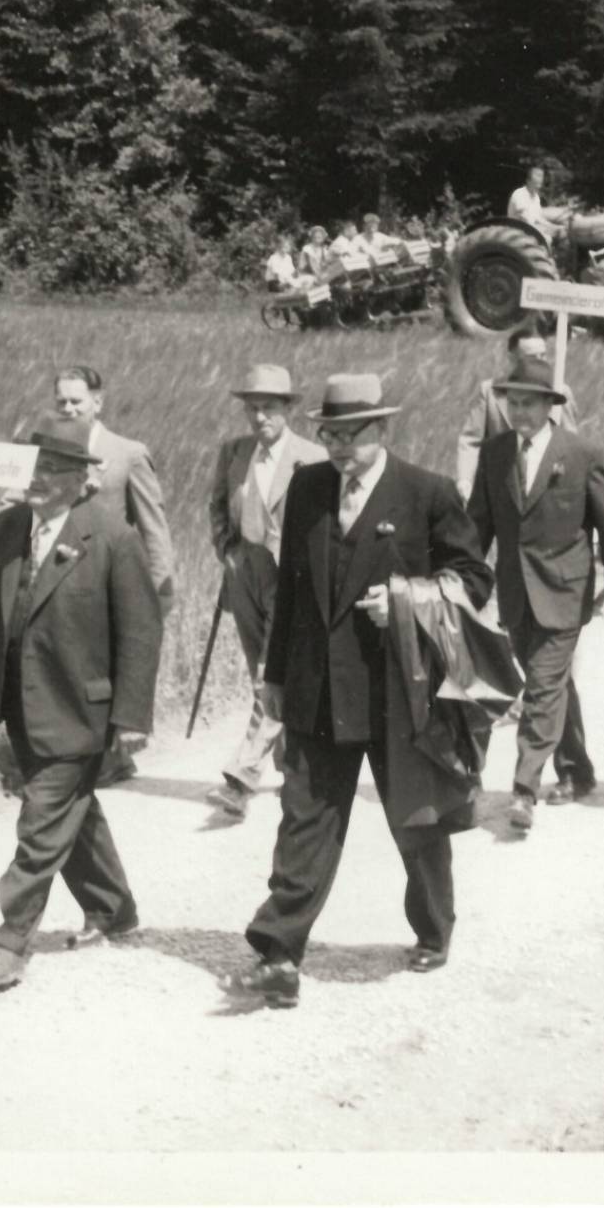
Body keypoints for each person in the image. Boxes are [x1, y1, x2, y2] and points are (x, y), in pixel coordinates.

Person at [227, 374, 492, 1008]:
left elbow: (473, 578)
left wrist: (408, 598)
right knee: (305, 819)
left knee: (415, 821)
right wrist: (277, 680)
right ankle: (279, 954)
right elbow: (291, 591)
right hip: (319, 689)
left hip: (400, 691)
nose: (342, 448)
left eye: (355, 435)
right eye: (332, 435)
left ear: (384, 430)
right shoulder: (310, 488)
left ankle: (434, 927)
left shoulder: (427, 493)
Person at [0, 415, 161, 992]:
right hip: (19, 705)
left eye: (53, 469)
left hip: (81, 709)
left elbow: (140, 632)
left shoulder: (111, 536)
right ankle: (114, 908)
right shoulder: (8, 528)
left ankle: (8, 937)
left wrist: (130, 717)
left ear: (81, 479)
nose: (39, 478)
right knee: (73, 811)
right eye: (33, 465)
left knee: (42, 822)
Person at [467, 355, 604, 828]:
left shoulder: (581, 454)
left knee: (541, 685)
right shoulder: (495, 453)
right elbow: (478, 524)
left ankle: (524, 788)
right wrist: (459, 575)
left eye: (528, 403)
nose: (519, 412)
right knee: (553, 683)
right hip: (516, 593)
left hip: (564, 590)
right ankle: (577, 770)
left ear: (549, 405)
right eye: (512, 402)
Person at [203, 365, 328, 818]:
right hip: (245, 573)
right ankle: (290, 761)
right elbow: (217, 504)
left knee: (267, 674)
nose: (259, 418)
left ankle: (242, 775)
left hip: (289, 578)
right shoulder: (234, 453)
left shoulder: (312, 458)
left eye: (269, 408)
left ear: (288, 409)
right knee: (266, 671)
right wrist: (227, 551)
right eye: (252, 409)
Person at [52, 365, 175, 784]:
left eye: (76, 401)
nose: (68, 409)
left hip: (110, 578)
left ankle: (110, 756)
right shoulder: (44, 451)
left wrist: (160, 588)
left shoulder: (127, 453)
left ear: (98, 402)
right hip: (59, 580)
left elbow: (153, 527)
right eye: (61, 401)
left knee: (106, 666)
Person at [455, 330, 580, 498]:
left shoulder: (559, 391)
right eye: (532, 357)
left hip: (544, 492)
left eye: (543, 355)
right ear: (512, 358)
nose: (540, 362)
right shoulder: (490, 391)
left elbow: (571, 443)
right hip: (499, 490)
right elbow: (471, 440)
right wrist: (465, 481)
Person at [508, 165, 570, 244]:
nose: (541, 179)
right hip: (519, 231)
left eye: (542, 176)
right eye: (538, 175)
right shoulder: (519, 194)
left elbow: (538, 219)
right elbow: (526, 222)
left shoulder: (536, 197)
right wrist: (547, 230)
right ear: (528, 180)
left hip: (530, 229)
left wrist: (555, 227)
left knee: (563, 233)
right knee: (547, 239)